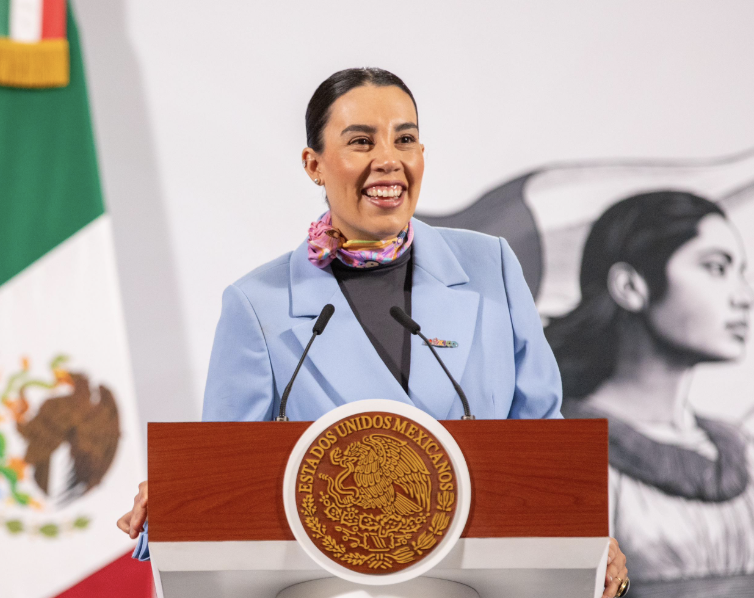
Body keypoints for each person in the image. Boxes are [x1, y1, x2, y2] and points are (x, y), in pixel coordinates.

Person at [116, 67, 628, 597]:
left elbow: (544, 438)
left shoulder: (490, 267)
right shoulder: (256, 305)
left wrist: (589, 534)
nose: (389, 159)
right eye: (361, 141)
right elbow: (227, 476)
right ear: (313, 165)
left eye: (404, 139)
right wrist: (180, 496)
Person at [551, 191, 754, 597]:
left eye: (740, 272)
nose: (745, 297)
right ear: (631, 286)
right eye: (716, 268)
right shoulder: (566, 449)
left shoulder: (739, 452)